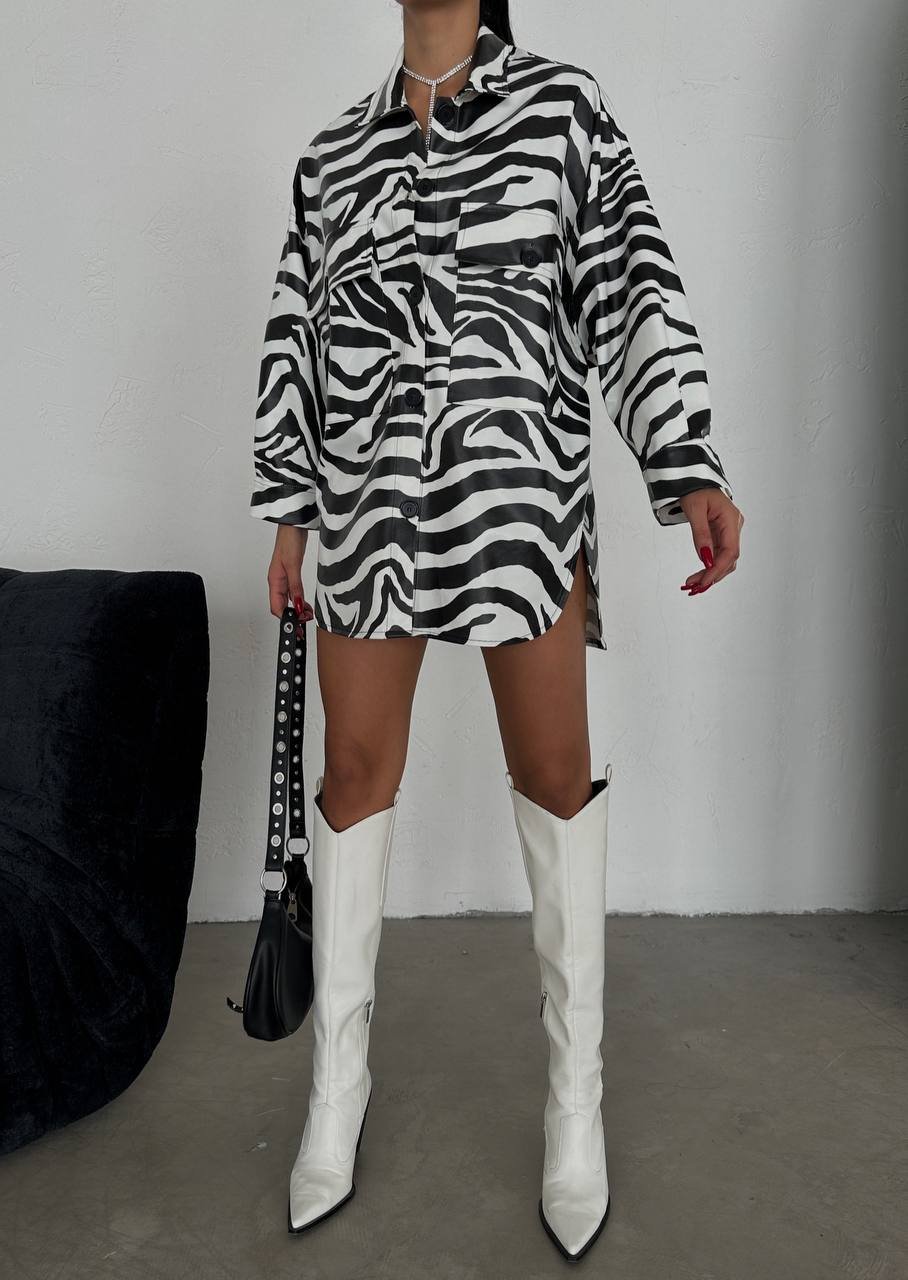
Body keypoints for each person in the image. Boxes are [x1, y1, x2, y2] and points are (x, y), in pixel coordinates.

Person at [250, 0, 743, 1261]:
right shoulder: (332, 153)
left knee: (554, 775)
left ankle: (573, 1101)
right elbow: (297, 334)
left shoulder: (562, 112)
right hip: (368, 507)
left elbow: (630, 284)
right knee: (352, 775)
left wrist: (686, 461)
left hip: (519, 503)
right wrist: (290, 508)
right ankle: (337, 1087)